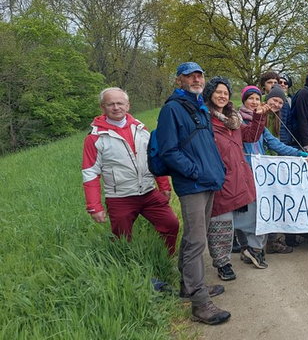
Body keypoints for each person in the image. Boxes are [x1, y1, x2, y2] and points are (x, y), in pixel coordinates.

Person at [155, 62, 230, 325]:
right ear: (179, 81)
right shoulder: (172, 110)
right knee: (197, 241)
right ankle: (200, 304)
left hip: (207, 181)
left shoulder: (198, 107)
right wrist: (195, 171)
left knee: (193, 238)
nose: (196, 79)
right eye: (190, 76)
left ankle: (189, 286)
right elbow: (169, 150)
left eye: (199, 75)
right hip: (193, 185)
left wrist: (215, 169)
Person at [82, 87, 179, 255]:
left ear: (128, 105)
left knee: (171, 224)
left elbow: (154, 158)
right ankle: (126, 267)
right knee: (121, 239)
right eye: (110, 104)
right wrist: (94, 206)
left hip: (149, 193)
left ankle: (166, 257)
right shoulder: (95, 137)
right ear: (102, 108)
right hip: (120, 198)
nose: (116, 107)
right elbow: (90, 173)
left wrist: (164, 186)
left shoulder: (141, 129)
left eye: (120, 103)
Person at [202, 77, 267, 281]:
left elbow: (251, 136)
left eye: (226, 93)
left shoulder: (234, 119)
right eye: (218, 92)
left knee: (254, 216)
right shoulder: (204, 119)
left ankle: (252, 249)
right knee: (220, 225)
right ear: (210, 94)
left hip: (240, 177)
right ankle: (223, 263)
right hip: (219, 179)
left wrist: (258, 118)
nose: (222, 96)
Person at [235, 84, 308, 259]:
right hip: (243, 170)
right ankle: (245, 246)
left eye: (256, 99)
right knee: (243, 211)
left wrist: (298, 153)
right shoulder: (236, 119)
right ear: (244, 100)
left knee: (257, 210)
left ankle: (254, 248)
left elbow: (276, 144)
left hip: (259, 173)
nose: (254, 102)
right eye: (250, 99)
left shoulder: (261, 123)